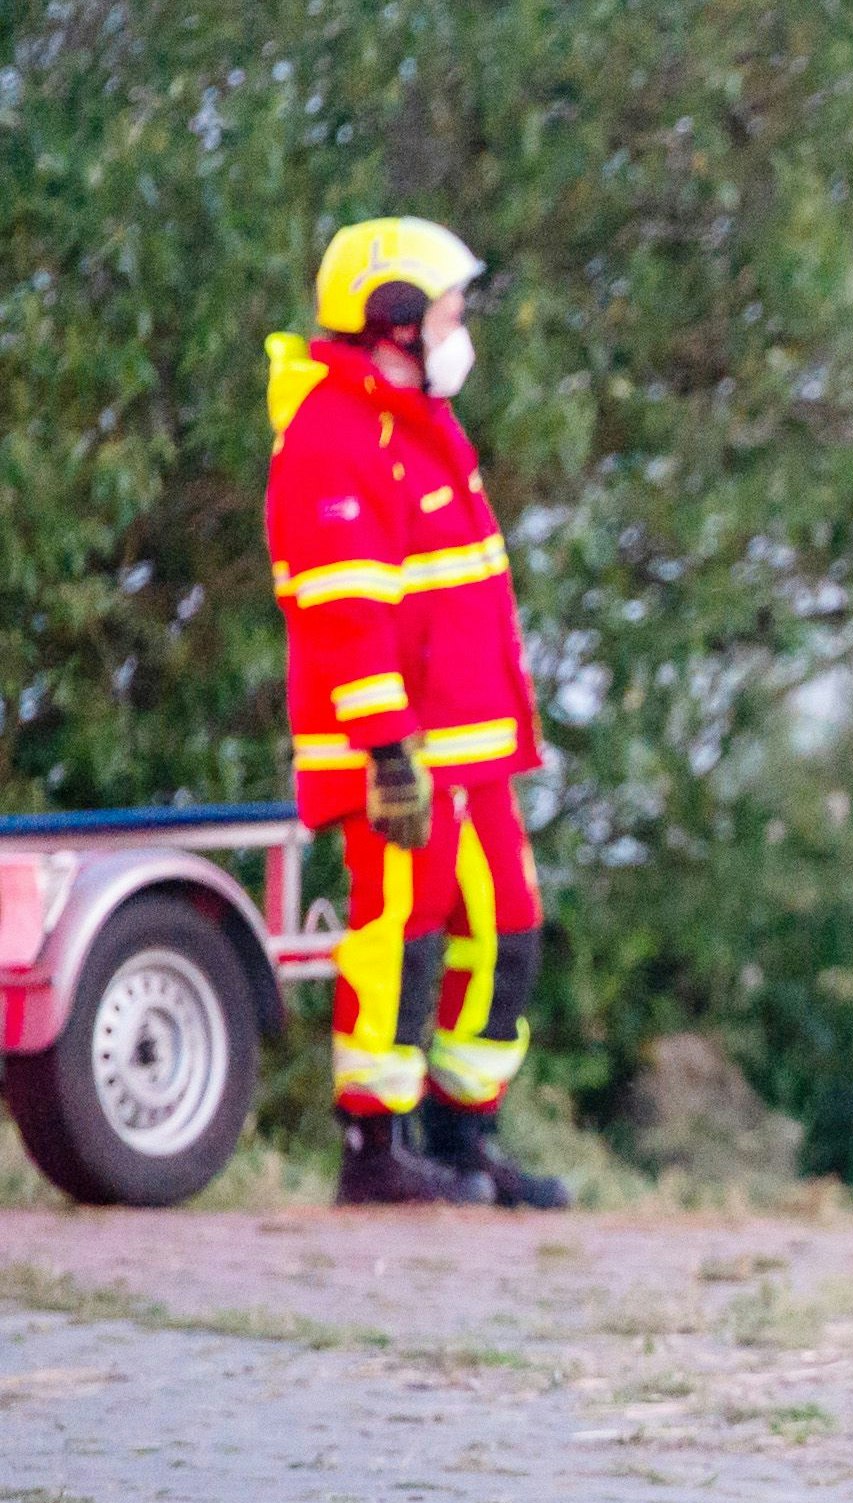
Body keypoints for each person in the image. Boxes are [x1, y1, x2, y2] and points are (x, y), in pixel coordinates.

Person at [268, 217, 569, 1209]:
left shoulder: (420, 422)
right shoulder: (331, 436)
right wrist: (389, 751)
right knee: (400, 933)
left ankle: (463, 1138)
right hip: (399, 756)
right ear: (393, 318)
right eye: (446, 311)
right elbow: (344, 618)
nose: (459, 328)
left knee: (506, 927)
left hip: (471, 751)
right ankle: (374, 1149)